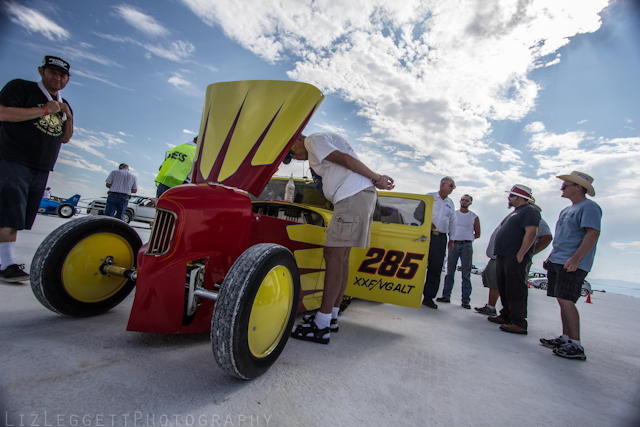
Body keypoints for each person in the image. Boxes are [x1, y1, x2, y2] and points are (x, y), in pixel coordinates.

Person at [289, 132, 394, 344]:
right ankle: (331, 316)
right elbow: (345, 162)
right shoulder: (319, 144)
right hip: (357, 195)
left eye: (292, 151)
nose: (294, 156)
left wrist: (378, 178)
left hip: (351, 196)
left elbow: (346, 160)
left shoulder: (313, 140)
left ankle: (321, 325)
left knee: (333, 256)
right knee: (341, 257)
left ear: (299, 138)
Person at [0, 55, 73, 283]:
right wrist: (44, 110)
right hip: (13, 159)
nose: (57, 78)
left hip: (41, 168)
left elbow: (65, 138)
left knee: (18, 218)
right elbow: (3, 113)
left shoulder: (63, 104)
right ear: (41, 71)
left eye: (62, 75)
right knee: (8, 215)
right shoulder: (22, 88)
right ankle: (7, 264)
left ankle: (6, 261)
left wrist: (68, 117)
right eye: (53, 73)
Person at [540, 171, 601, 361]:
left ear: (578, 187)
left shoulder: (590, 207)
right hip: (558, 260)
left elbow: (592, 234)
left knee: (567, 300)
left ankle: (576, 344)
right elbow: (561, 238)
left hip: (572, 263)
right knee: (561, 298)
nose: (562, 187)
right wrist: (551, 256)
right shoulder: (566, 210)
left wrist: (576, 259)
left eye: (565, 185)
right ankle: (565, 338)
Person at [475, 197, 552, 316]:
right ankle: (499, 311)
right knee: (499, 283)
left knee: (513, 287)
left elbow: (547, 237)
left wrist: (526, 253)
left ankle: (515, 318)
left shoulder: (534, 217)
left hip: (513, 258)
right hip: (501, 256)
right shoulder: (516, 215)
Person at [489, 184, 540, 334]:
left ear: (519, 197)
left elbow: (531, 232)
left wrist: (521, 253)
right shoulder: (515, 212)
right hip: (504, 255)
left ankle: (518, 322)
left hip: (514, 255)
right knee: (504, 286)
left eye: (511, 195)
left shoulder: (530, 210)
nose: (508, 198)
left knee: (516, 288)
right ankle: (506, 315)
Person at [437, 194, 480, 309]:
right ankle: (446, 296)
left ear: (470, 203)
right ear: (460, 201)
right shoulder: (454, 214)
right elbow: (448, 227)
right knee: (450, 271)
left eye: (467, 201)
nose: (464, 202)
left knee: (466, 273)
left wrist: (467, 239)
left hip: (466, 245)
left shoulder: (473, 217)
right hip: (454, 244)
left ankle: (465, 300)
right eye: (463, 200)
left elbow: (478, 233)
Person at [422, 176, 457, 309]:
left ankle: (428, 297)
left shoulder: (451, 203)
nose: (453, 188)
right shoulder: (429, 197)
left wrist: (452, 239)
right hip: (426, 236)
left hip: (441, 238)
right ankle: (411, 293)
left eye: (453, 186)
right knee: (420, 265)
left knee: (436, 268)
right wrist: (427, 223)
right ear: (442, 185)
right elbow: (418, 213)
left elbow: (453, 222)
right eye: (451, 185)